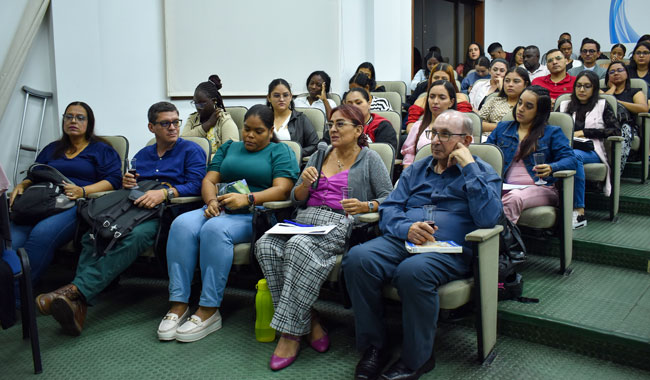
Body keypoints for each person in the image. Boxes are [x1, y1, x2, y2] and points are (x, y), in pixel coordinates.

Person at [343, 110, 502, 380]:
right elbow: (390, 208)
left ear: (466, 139)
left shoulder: (482, 172)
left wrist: (469, 168)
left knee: (412, 271)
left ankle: (417, 358)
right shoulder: (416, 169)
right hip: (405, 239)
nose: (436, 140)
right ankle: (374, 347)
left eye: (445, 135)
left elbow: (489, 219)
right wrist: (407, 228)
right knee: (358, 259)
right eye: (433, 133)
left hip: (449, 248)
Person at [35, 101, 207, 335]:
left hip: (164, 213)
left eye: (176, 122)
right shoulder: (143, 154)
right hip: (133, 207)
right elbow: (132, 181)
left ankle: (74, 293)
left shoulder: (191, 150)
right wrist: (129, 183)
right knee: (93, 233)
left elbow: (197, 184)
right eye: (165, 123)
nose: (173, 127)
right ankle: (77, 301)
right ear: (151, 127)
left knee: (132, 237)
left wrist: (165, 193)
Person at [255, 104, 393, 371]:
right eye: (331, 124)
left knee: (297, 246)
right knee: (266, 245)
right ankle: (310, 318)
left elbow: (390, 198)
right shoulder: (319, 154)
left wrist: (367, 206)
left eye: (340, 124)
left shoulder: (370, 159)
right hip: (304, 221)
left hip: (341, 222)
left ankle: (291, 334)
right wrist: (305, 183)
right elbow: (296, 197)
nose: (333, 129)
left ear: (358, 130)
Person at [158, 104, 299, 342]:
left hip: (255, 214)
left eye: (258, 131)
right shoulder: (229, 147)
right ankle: (179, 303)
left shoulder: (280, 151)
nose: (250, 135)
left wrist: (248, 198)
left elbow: (283, 189)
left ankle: (209, 309)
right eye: (247, 129)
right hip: (217, 208)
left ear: (270, 130)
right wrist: (211, 200)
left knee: (214, 229)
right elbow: (209, 180)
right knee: (181, 224)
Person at [10, 102, 122, 283]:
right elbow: (36, 172)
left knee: (41, 234)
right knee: (12, 240)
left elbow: (114, 180)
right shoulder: (52, 148)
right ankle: (5, 288)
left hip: (75, 203)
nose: (73, 121)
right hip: (42, 199)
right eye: (69, 116)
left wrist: (83, 190)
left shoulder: (101, 149)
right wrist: (23, 184)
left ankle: (17, 295)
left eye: (80, 117)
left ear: (89, 123)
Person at [486, 86, 578, 226]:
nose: (521, 108)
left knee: (513, 199)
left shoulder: (552, 133)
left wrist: (552, 167)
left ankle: (500, 244)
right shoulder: (503, 128)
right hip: (504, 185)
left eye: (528, 106)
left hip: (541, 187)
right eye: (520, 102)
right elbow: (487, 153)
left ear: (539, 112)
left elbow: (572, 160)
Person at [559, 71, 624, 224]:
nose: (582, 90)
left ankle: (579, 210)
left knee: (574, 157)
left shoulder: (602, 104)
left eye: (587, 86)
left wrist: (585, 132)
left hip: (593, 149)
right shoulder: (564, 105)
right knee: (570, 155)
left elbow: (615, 130)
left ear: (594, 88)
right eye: (579, 86)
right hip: (564, 148)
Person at [322, 88, 398, 153]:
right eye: (350, 104)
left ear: (369, 104)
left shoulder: (382, 126)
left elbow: (386, 155)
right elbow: (321, 148)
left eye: (358, 103)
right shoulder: (338, 126)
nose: (354, 107)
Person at [181, 75, 239, 158]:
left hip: (215, 168)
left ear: (214, 101)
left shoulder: (225, 121)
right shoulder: (193, 119)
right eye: (195, 103)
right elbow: (181, 143)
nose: (198, 107)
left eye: (201, 104)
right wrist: (207, 125)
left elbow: (230, 153)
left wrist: (201, 160)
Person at [401, 80, 457, 166]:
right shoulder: (418, 126)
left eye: (442, 98)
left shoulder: (460, 128)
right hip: (419, 175)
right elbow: (409, 157)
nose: (435, 101)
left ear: (451, 102)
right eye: (432, 97)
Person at [407, 63, 472, 133]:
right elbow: (410, 128)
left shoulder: (460, 98)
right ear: (430, 79)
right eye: (436, 78)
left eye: (444, 78)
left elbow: (465, 126)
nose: (439, 81)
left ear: (451, 80)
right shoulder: (420, 101)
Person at [266, 78, 320, 158]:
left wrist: (295, 152)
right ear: (269, 98)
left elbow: (315, 145)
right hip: (266, 162)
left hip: (291, 163)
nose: (281, 99)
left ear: (291, 97)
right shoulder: (263, 119)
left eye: (285, 95)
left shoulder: (301, 119)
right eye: (276, 95)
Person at [479, 67, 531, 134]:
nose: (510, 85)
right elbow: (477, 123)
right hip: (487, 140)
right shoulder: (494, 101)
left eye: (516, 81)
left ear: (525, 84)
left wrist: (491, 126)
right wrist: (503, 127)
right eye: (507, 80)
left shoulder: (529, 106)